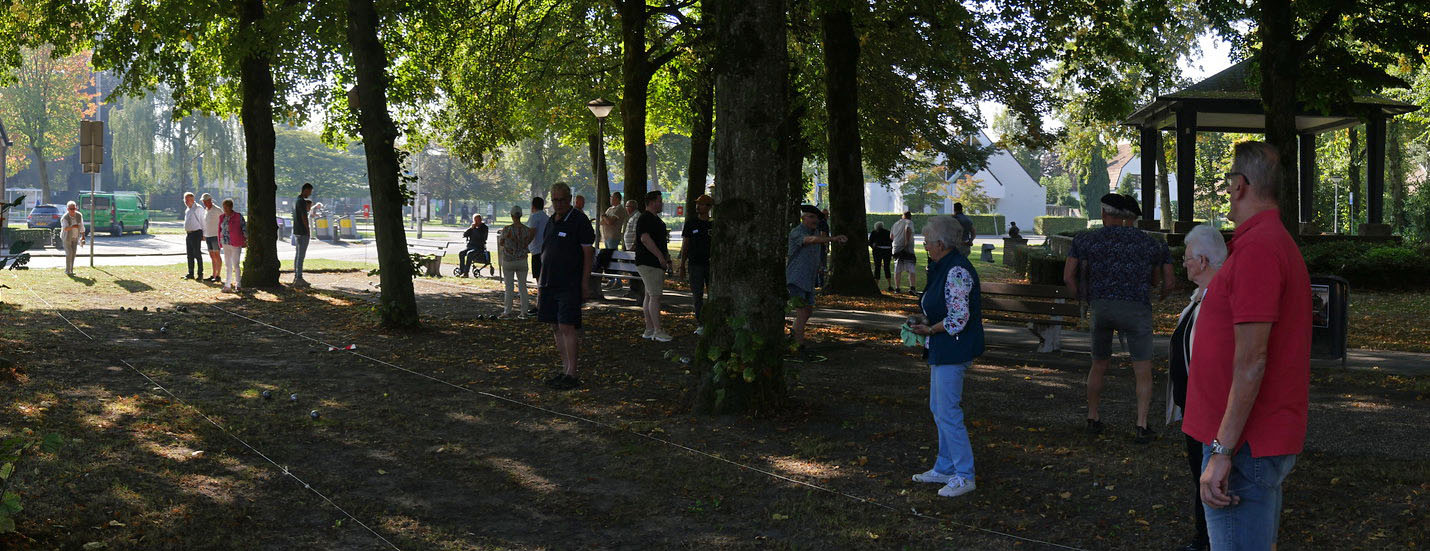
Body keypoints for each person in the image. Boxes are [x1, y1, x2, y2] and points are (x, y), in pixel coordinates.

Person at [1185, 142, 1311, 550]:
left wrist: (1222, 450)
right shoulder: (1261, 242)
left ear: (1240, 185)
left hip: (1243, 445)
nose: (1227, 191)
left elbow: (1253, 359)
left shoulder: (1259, 248)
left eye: (1228, 182)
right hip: (1243, 440)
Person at [1063, 193, 1174, 442]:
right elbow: (1166, 281)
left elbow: (1068, 276)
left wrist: (1083, 299)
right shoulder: (1152, 243)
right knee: (1142, 369)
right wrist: (1159, 295)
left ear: (1104, 213)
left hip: (1101, 308)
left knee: (1098, 364)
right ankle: (1141, 424)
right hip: (1136, 308)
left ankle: (1093, 417)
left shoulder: (1085, 240)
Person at [908, 215, 984, 499]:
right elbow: (944, 307)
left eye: (927, 241)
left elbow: (958, 318)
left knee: (948, 413)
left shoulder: (957, 270)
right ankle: (945, 467)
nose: (925, 245)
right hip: (943, 347)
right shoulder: (943, 266)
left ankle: (965, 475)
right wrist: (924, 320)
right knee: (939, 409)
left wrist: (930, 329)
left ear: (941, 243)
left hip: (953, 348)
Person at [1164, 224, 1227, 551]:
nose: (1184, 263)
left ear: (1203, 261)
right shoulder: (1200, 297)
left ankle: (1209, 540)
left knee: (1209, 478)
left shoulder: (1217, 300)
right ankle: (1204, 537)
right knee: (1199, 476)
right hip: (1194, 410)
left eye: (1187, 258)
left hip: (1208, 412)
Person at [537, 183, 595, 390]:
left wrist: (585, 283)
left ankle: (572, 373)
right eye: (555, 200)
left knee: (567, 326)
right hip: (548, 282)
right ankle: (564, 369)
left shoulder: (579, 220)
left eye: (562, 200)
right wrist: (540, 283)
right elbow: (545, 252)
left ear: (569, 199)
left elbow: (588, 253)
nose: (558, 204)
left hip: (569, 283)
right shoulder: (551, 221)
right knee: (555, 326)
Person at [787, 205, 847, 355]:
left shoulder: (816, 233)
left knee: (807, 312)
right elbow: (811, 240)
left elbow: (814, 251)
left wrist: (820, 268)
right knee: (802, 312)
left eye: (817, 218)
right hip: (797, 279)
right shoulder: (797, 232)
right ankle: (798, 346)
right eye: (811, 217)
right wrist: (833, 239)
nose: (815, 220)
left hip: (808, 280)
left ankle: (793, 340)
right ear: (803, 218)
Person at [635, 191, 673, 341]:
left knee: (649, 295)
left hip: (653, 262)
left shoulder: (656, 220)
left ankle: (649, 329)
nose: (662, 203)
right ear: (652, 202)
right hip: (649, 263)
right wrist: (660, 257)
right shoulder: (645, 218)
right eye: (659, 201)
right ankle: (657, 331)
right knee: (655, 297)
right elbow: (645, 239)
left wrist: (667, 258)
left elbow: (661, 242)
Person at [680, 195, 714, 334]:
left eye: (702, 204)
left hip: (711, 265)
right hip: (695, 264)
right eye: (697, 204)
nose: (698, 206)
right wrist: (682, 264)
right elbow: (685, 244)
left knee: (713, 294)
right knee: (697, 296)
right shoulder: (691, 223)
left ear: (709, 207)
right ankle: (701, 323)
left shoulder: (714, 224)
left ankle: (712, 321)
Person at [498, 206, 535, 319]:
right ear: (521, 215)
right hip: (522, 260)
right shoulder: (527, 230)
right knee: (523, 286)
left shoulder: (507, 229)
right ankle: (524, 312)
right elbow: (528, 241)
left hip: (508, 260)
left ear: (511, 216)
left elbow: (501, 242)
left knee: (509, 287)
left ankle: (507, 311)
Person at [598, 192, 628, 288]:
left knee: (613, 258)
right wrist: (606, 218)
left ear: (617, 199)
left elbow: (610, 222)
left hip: (613, 237)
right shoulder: (610, 209)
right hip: (606, 237)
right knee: (609, 259)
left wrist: (605, 217)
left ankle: (618, 281)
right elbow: (602, 222)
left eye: (612, 197)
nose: (610, 199)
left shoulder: (619, 209)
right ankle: (611, 279)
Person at [527, 196, 550, 314]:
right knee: (545, 278)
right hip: (546, 250)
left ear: (533, 206)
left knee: (539, 280)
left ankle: (540, 305)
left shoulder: (534, 217)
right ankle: (545, 303)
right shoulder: (547, 217)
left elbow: (532, 232)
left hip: (536, 251)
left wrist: (524, 245)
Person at [218, 198, 247, 293]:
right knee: (228, 265)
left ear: (231, 207)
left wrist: (245, 239)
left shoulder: (238, 216)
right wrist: (220, 242)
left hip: (236, 243)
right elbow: (219, 230)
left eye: (227, 207)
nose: (225, 209)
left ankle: (238, 285)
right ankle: (227, 285)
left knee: (236, 264)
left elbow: (244, 228)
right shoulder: (222, 217)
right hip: (225, 243)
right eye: (224, 207)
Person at [292, 183, 314, 287]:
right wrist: (308, 229)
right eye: (310, 191)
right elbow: (303, 216)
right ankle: (299, 278)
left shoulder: (296, 201)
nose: (310, 194)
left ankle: (296, 276)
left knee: (298, 255)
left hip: (297, 231)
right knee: (301, 256)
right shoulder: (301, 201)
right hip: (302, 231)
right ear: (306, 190)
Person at [890, 211, 916, 293]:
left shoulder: (895, 224)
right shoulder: (909, 222)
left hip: (896, 248)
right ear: (910, 217)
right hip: (907, 248)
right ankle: (912, 288)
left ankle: (897, 288)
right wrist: (906, 242)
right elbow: (907, 229)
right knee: (911, 268)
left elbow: (891, 236)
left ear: (903, 216)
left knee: (897, 269)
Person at [183, 192, 206, 280]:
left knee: (197, 254)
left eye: (187, 200)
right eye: (185, 200)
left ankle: (200, 274)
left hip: (196, 233)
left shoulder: (198, 208)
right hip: (189, 233)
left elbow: (203, 222)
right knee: (189, 254)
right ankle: (190, 273)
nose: (186, 201)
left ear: (192, 200)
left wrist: (204, 234)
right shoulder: (187, 209)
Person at [201, 194, 223, 282]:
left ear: (210, 200)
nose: (204, 203)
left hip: (216, 235)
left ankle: (218, 275)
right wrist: (204, 234)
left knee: (217, 255)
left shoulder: (217, 210)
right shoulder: (206, 210)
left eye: (206, 201)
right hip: (208, 236)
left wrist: (221, 233)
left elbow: (223, 221)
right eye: (203, 201)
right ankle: (213, 275)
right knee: (212, 255)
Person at [60, 201, 85, 276]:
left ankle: (71, 270)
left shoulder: (79, 215)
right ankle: (67, 270)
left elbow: (82, 226)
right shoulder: (65, 217)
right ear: (68, 209)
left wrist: (83, 236)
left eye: (74, 208)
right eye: (71, 209)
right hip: (66, 237)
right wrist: (73, 226)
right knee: (69, 253)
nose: (73, 210)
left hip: (75, 237)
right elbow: (65, 228)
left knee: (73, 254)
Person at [868, 221, 893, 290]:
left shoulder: (874, 232)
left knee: (877, 267)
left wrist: (874, 247)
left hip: (878, 251)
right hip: (887, 251)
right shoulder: (888, 232)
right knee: (887, 267)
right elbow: (891, 241)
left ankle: (876, 285)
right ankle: (889, 285)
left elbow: (870, 242)